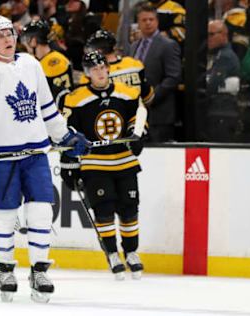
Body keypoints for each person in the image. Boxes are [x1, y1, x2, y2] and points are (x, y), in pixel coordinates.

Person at [0, 15, 90, 303]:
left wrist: (66, 136)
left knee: (42, 212)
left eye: (9, 34)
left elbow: (47, 109)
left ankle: (39, 270)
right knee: (5, 216)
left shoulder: (32, 65)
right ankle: (5, 270)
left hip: (36, 155)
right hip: (2, 158)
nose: (7, 39)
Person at [59, 51, 147, 281]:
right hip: (94, 164)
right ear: (87, 74)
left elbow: (138, 116)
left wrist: (137, 134)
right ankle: (112, 254)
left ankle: (131, 252)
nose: (99, 72)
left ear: (108, 68)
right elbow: (67, 131)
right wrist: (68, 161)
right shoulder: (75, 99)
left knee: (129, 209)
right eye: (93, 69)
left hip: (124, 161)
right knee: (104, 210)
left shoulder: (127, 93)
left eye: (101, 67)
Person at [129, 3, 181, 142]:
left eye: (151, 19)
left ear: (157, 21)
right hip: (135, 114)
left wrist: (151, 97)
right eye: (144, 20)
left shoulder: (168, 45)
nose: (148, 23)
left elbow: (173, 77)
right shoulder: (134, 46)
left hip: (160, 114)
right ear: (138, 23)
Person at [78, 29, 154, 107]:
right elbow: (148, 98)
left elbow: (84, 104)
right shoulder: (134, 64)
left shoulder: (92, 73)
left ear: (98, 51)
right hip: (136, 115)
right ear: (114, 47)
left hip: (109, 116)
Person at [20, 19, 73, 104]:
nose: (24, 44)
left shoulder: (54, 61)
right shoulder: (40, 59)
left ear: (33, 41)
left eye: (26, 39)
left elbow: (56, 96)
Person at [204, 19, 241, 142]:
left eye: (211, 34)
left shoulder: (225, 56)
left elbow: (212, 85)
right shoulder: (217, 55)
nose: (208, 38)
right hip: (219, 111)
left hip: (222, 112)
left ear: (224, 35)